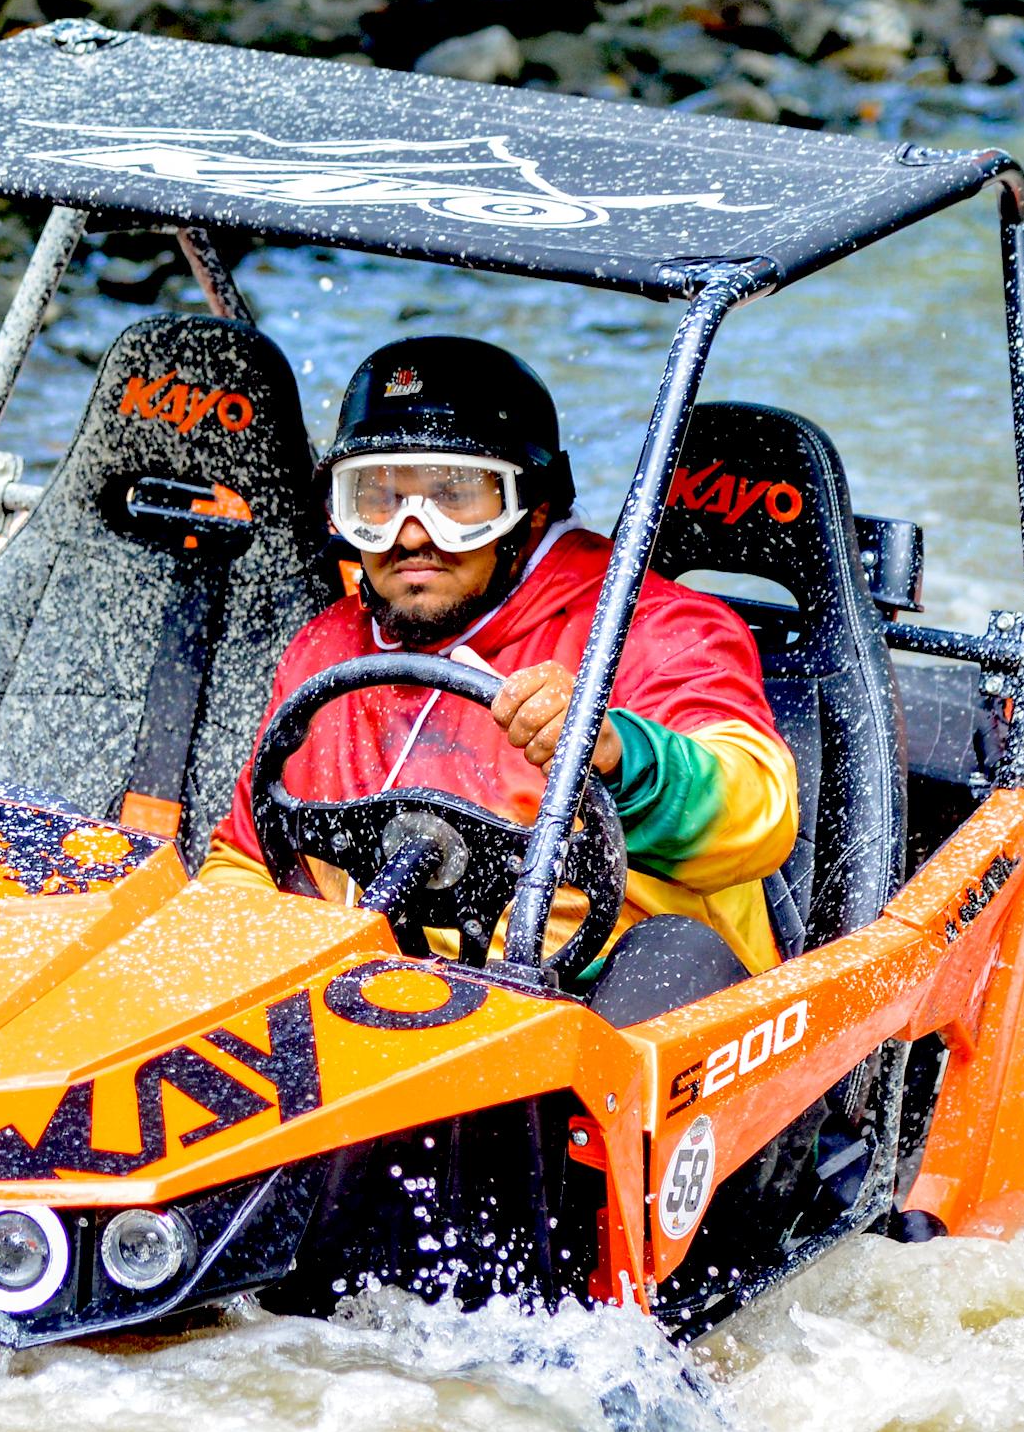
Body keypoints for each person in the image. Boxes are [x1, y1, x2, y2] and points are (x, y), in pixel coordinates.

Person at [206, 336, 797, 1022]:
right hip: (365, 1010)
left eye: (454, 497)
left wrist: (618, 751)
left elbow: (761, 815)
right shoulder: (326, 647)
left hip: (598, 1020)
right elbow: (245, 866)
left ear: (534, 506)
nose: (410, 534)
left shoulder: (656, 626)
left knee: (675, 954)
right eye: (378, 498)